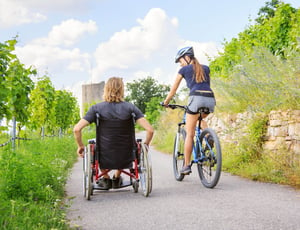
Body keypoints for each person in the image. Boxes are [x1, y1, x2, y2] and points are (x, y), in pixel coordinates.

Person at [74, 77, 154, 189]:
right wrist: (146, 144)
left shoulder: (96, 108)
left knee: (95, 148)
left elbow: (77, 129)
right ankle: (117, 178)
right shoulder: (130, 108)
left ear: (106, 89)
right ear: (122, 90)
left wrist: (80, 146)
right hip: (126, 153)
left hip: (104, 152)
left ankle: (106, 178)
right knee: (126, 148)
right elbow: (150, 130)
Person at [163, 46, 216, 175]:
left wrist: (166, 102)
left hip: (195, 98)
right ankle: (209, 135)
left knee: (190, 133)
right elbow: (205, 84)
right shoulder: (206, 68)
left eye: (180, 60)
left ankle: (186, 165)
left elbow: (174, 89)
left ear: (187, 57)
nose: (180, 64)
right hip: (210, 98)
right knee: (200, 118)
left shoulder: (184, 69)